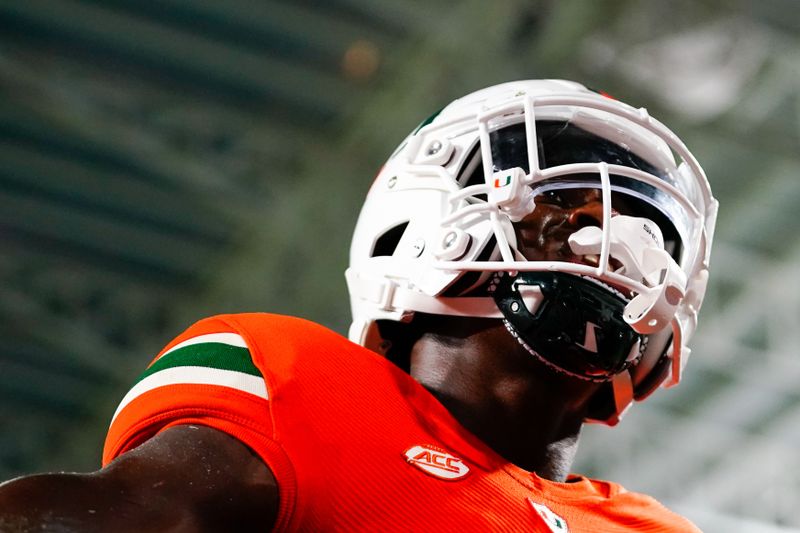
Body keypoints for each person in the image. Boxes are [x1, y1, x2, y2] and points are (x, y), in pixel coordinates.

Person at [0, 79, 717, 532]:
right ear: (424, 222)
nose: (613, 241)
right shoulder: (302, 387)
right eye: (568, 203)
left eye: (648, 230)